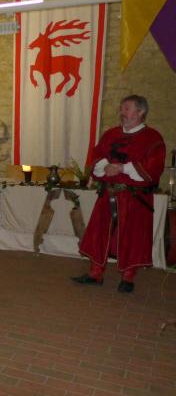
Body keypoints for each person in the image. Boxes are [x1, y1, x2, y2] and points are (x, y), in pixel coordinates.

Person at [72, 95, 166, 293]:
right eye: (121, 108)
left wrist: (123, 168)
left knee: (132, 237)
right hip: (108, 194)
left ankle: (128, 278)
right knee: (99, 234)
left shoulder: (152, 138)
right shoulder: (111, 134)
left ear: (140, 112)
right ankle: (95, 274)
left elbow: (153, 169)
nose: (122, 112)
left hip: (134, 199)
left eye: (127, 109)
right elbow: (97, 155)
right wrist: (105, 166)